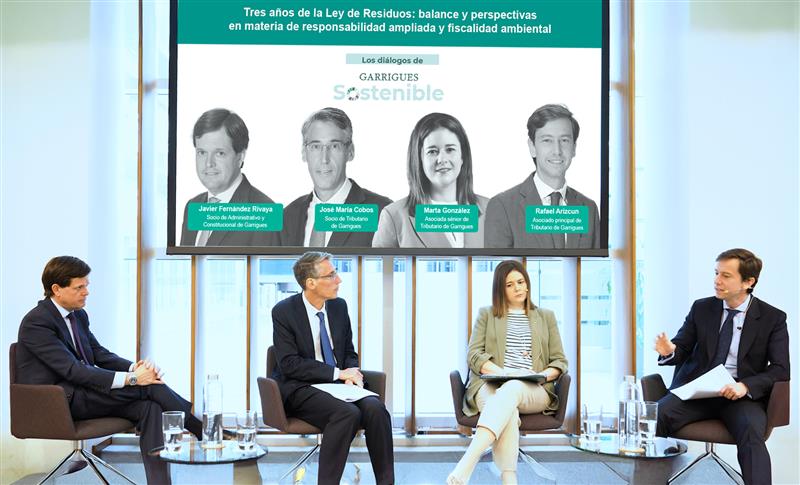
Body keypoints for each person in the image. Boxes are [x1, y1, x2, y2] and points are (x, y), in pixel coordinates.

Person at [16, 256, 203, 484]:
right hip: (58, 401)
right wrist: (134, 379)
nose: (86, 292)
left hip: (84, 392)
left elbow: (98, 354)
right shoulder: (36, 322)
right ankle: (200, 429)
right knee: (148, 388)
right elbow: (73, 370)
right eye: (79, 287)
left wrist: (135, 367)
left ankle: (159, 482)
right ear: (57, 289)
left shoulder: (78, 315)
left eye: (87, 285)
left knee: (150, 407)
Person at [654, 248, 789, 485]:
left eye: (726, 275)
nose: (717, 281)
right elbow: (682, 347)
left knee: (751, 432)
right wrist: (669, 351)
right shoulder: (701, 308)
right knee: (655, 416)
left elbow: (780, 368)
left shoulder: (773, 318)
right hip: (697, 393)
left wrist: (745, 386)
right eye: (716, 273)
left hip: (740, 396)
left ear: (748, 282)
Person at [271, 252, 394, 484]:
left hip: (339, 386)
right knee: (347, 413)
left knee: (377, 410)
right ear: (311, 283)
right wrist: (338, 373)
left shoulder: (338, 306)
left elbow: (348, 351)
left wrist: (351, 374)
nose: (339, 280)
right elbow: (289, 364)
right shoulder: (284, 311)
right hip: (302, 387)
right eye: (331, 275)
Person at [448, 260, 568, 485]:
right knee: (508, 409)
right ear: (500, 290)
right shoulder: (486, 315)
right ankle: (509, 479)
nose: (518, 288)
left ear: (528, 284)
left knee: (512, 388)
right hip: (490, 385)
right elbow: (474, 355)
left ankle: (467, 462)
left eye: (521, 282)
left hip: (534, 389)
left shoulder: (546, 317)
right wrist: (504, 372)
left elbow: (560, 361)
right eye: (510, 285)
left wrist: (542, 375)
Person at [484, 104, 600, 249]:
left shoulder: (589, 208)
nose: (557, 151)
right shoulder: (503, 206)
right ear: (532, 147)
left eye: (564, 140)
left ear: (574, 148)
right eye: (547, 140)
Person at [372, 112, 488, 248]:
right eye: (432, 151)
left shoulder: (491, 210)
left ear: (463, 156)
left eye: (450, 149)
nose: (442, 159)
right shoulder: (394, 216)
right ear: (419, 159)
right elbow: (380, 263)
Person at [281, 107, 392, 248]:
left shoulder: (382, 212)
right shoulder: (288, 216)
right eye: (316, 146)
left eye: (334, 146)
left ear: (350, 151)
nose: (324, 159)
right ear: (304, 152)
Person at [180, 108, 278, 247]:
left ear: (240, 156)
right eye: (202, 152)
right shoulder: (193, 206)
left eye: (219, 153)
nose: (208, 163)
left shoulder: (265, 213)